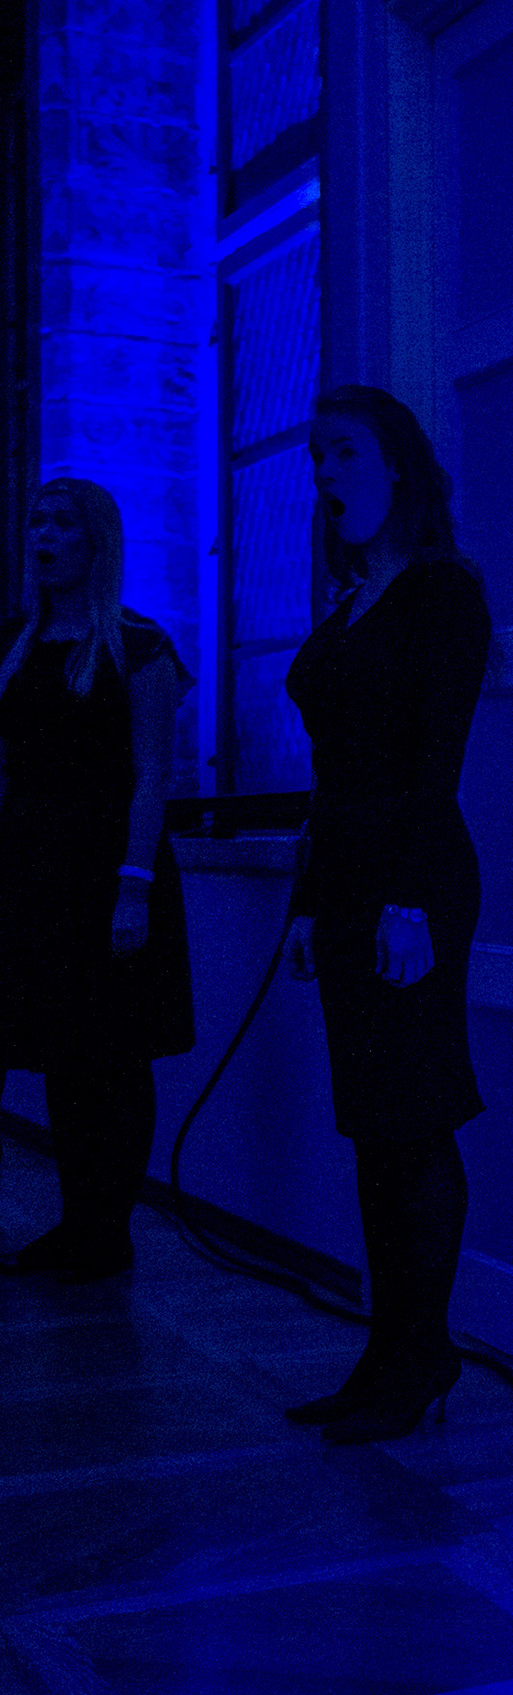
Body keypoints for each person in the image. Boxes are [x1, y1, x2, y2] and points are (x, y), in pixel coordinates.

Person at [282, 387, 493, 1444]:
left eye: (345, 453)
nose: (325, 473)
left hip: (412, 880)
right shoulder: (350, 602)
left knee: (414, 1119)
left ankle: (423, 1354)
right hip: (349, 879)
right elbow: (333, 775)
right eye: (317, 457)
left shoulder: (441, 593)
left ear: (397, 463)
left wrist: (407, 902)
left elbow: (431, 762)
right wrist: (311, 903)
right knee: (373, 1126)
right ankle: (387, 1352)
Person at [0, 479, 193, 1282]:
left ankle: (106, 1231)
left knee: (112, 1052)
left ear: (96, 542)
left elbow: (153, 774)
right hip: (31, 870)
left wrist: (133, 885)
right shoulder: (15, 646)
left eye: (62, 524)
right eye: (36, 522)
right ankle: (79, 1222)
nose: (44, 536)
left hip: (109, 868)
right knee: (60, 1050)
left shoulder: (138, 647)